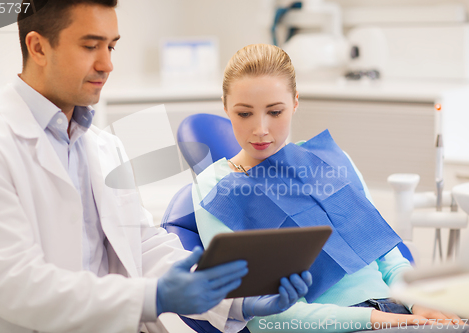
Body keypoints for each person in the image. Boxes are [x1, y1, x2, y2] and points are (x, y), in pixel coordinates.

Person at [0, 3, 312, 333]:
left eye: (112, 47)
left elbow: (142, 247)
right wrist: (154, 296)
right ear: (38, 48)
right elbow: (15, 283)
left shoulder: (103, 146)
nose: (107, 64)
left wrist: (238, 300)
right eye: (91, 46)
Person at [191, 44, 465, 333]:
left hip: (399, 311)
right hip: (333, 325)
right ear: (225, 106)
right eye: (245, 114)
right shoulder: (215, 188)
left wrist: (418, 303)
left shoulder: (329, 159)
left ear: (295, 102)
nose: (261, 129)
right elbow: (258, 315)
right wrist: (375, 320)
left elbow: (387, 255)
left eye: (275, 111)